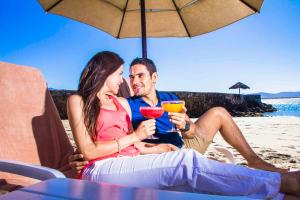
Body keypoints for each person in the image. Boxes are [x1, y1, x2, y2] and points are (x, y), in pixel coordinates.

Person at [67, 51, 299, 199]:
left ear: (154, 78)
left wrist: (182, 128)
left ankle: (280, 195)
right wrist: (137, 137)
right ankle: (283, 182)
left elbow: (126, 142)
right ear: (104, 72)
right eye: (122, 74)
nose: (127, 81)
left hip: (142, 157)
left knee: (201, 188)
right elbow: (90, 148)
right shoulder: (90, 101)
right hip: (108, 167)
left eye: (137, 76)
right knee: (188, 162)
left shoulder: (125, 102)